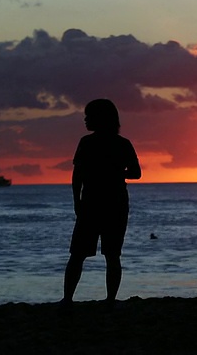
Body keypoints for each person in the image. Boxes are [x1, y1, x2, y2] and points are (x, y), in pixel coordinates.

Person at [61, 99, 141, 310]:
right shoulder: (122, 144)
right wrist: (116, 172)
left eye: (89, 116)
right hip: (112, 202)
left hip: (94, 202)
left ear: (101, 118)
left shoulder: (87, 143)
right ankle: (109, 300)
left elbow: (77, 175)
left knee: (80, 254)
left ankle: (69, 299)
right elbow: (135, 172)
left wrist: (76, 200)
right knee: (110, 255)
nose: (86, 120)